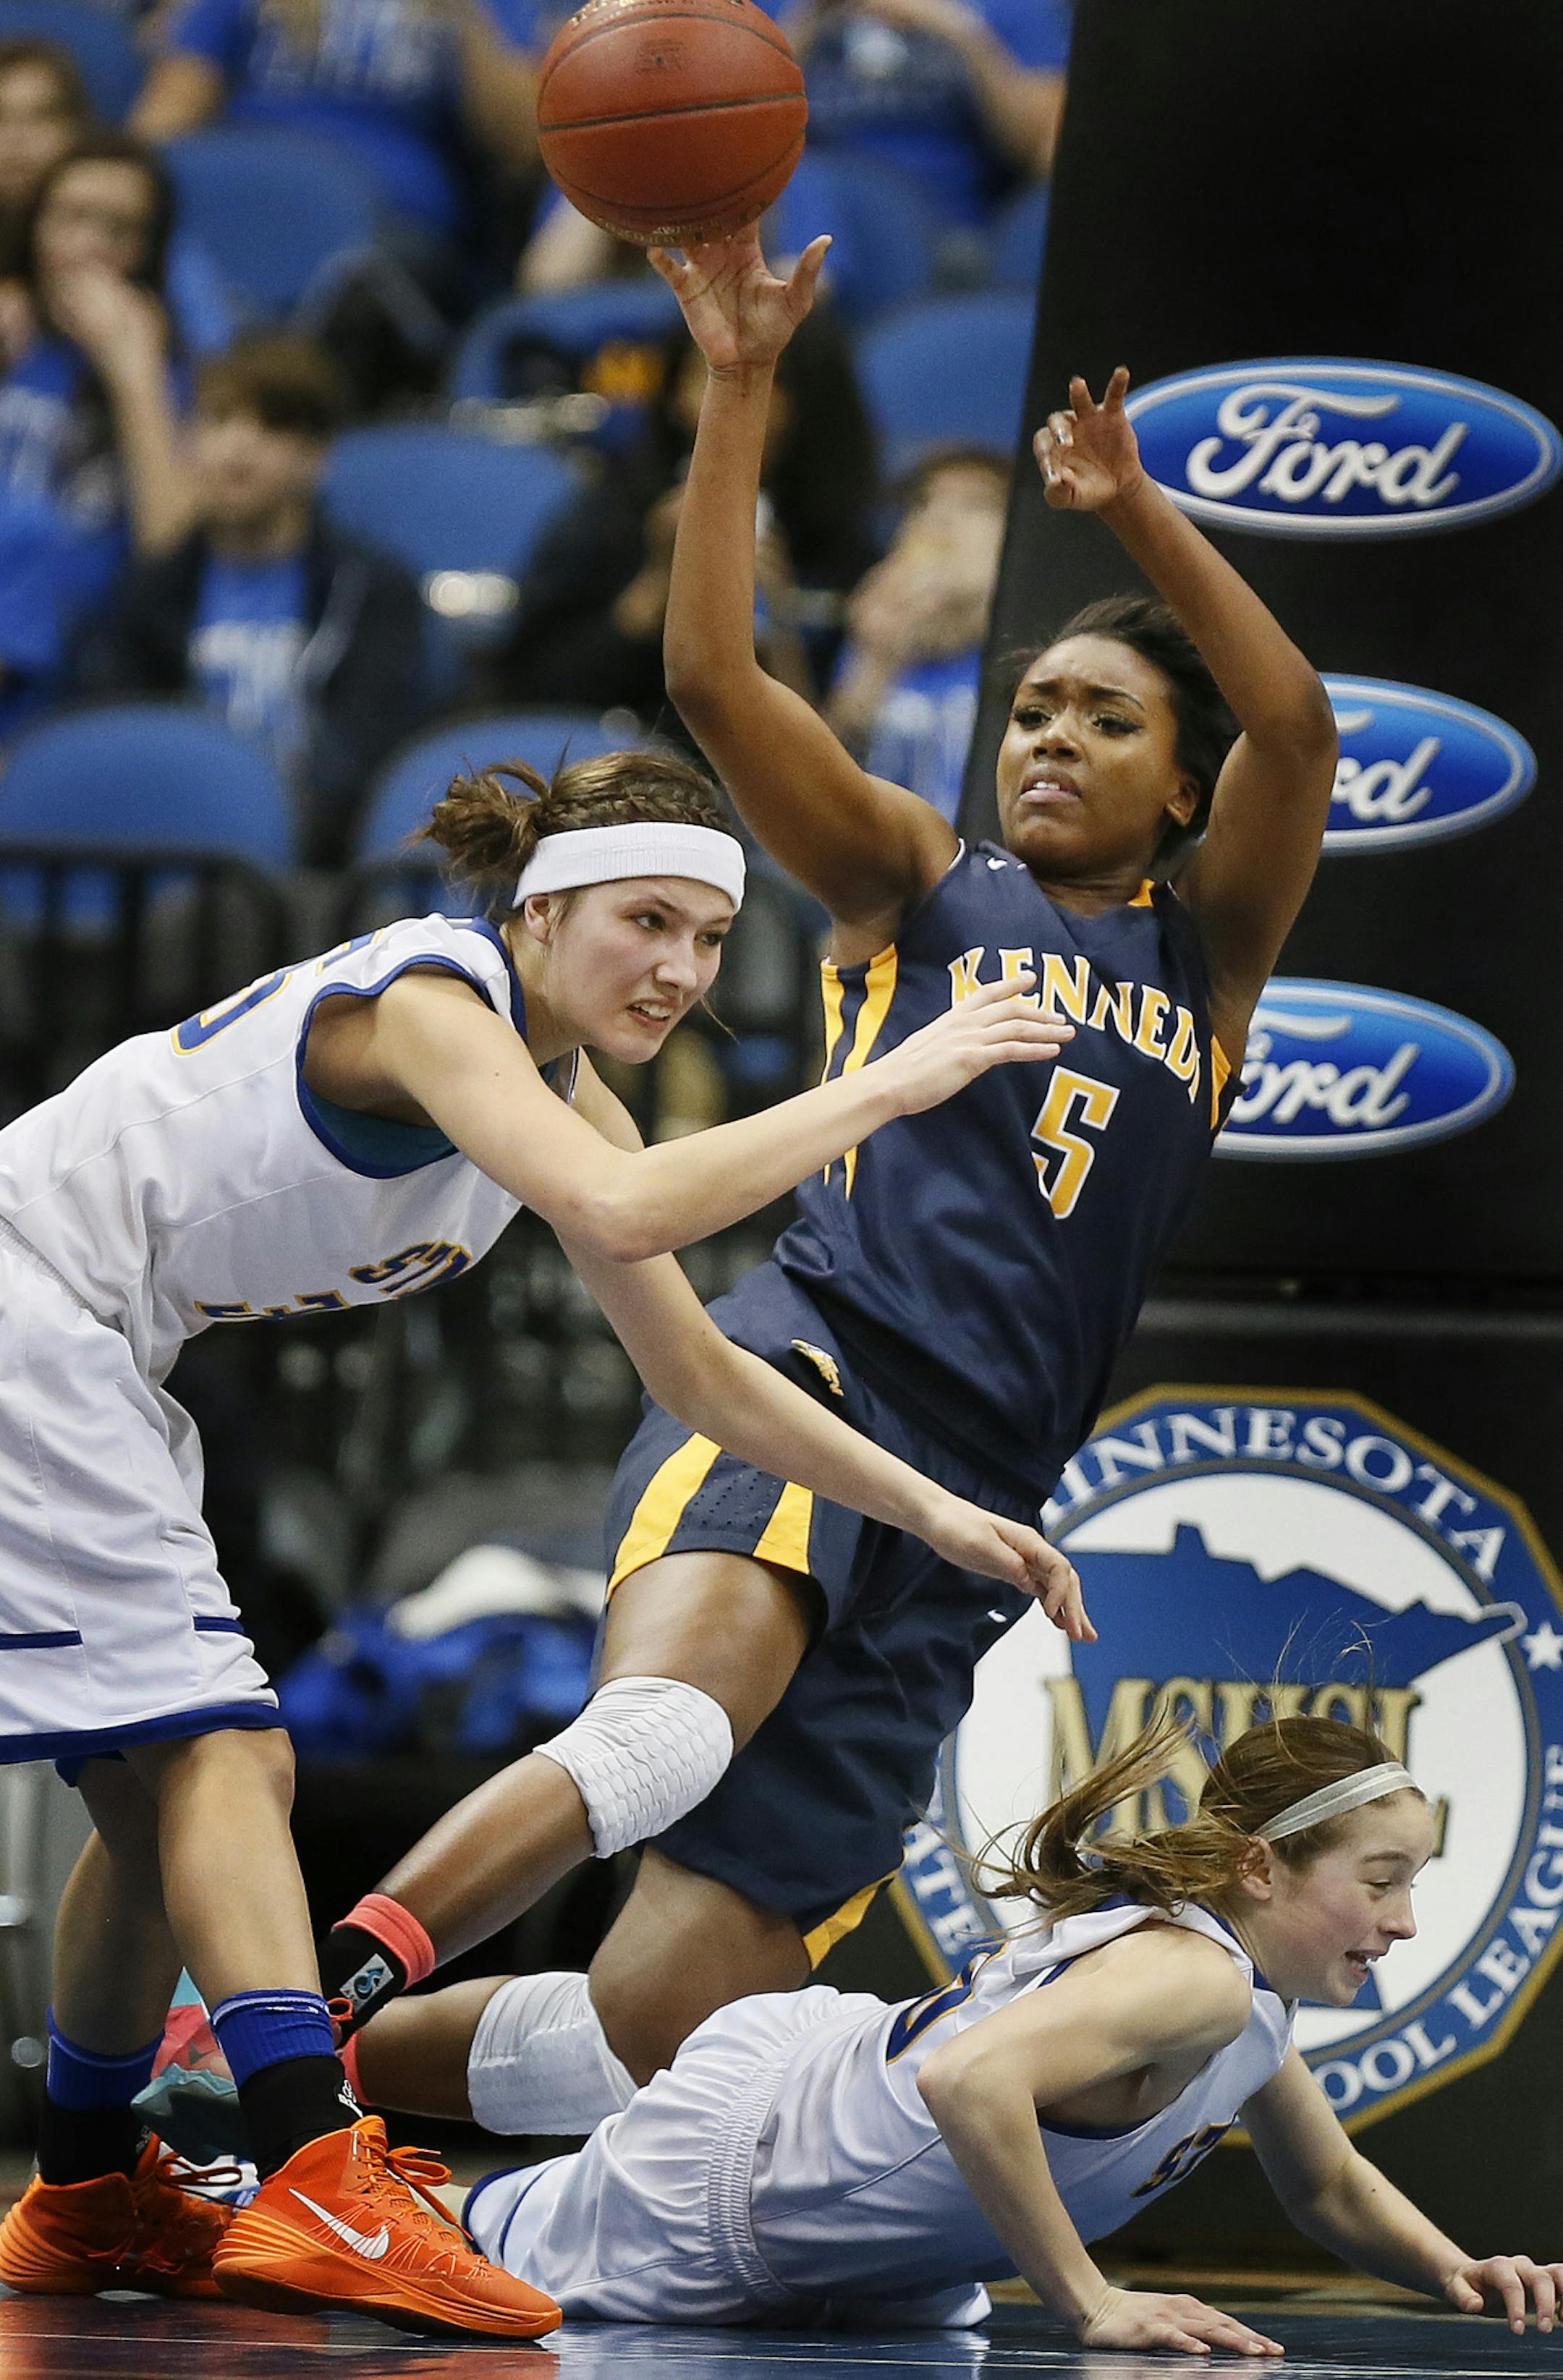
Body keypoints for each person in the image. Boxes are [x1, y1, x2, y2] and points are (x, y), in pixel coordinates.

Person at [294, 223, 1339, 2156]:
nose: (1048, 738)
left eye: (1105, 720)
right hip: (812, 1376)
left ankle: (279, 2087)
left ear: (1181, 792)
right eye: (1031, 709)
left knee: (655, 2023)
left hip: (974, 1504)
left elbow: (1299, 726)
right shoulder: (917, 889)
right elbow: (708, 667)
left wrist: (1133, 513)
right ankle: (283, 2014)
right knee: (661, 1734)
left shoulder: (1211, 961)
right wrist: (745, 383)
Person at [0, 745, 1083, 2330]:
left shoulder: (561, 1088)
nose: (682, 968)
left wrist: (933, 1511)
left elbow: (699, 1369)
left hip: (96, 1342)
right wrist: (896, 1079)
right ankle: (310, 2172)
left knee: (155, 1793)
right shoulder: (438, 1001)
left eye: (710, 940)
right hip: (33, 1307)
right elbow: (638, 1207)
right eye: (646, 921)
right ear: (543, 907)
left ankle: (86, 2185)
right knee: (232, 1761)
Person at [353, 1715, 1563, 2344]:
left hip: (827, 2168)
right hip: (736, 2185)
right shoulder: (1192, 1979)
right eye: (1384, 1881)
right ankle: (248, 2136)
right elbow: (973, 2080)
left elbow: (1332, 2189)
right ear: (1260, 1868)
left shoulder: (1248, 2007)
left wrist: (1454, 2269)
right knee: (410, 2263)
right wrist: (1093, 2303)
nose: (1406, 1921)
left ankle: (299, 2071)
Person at [72, 330, 425, 865]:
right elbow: (119, 740)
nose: (239, 446)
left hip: (317, 869)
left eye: (271, 425)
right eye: (217, 421)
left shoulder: (371, 591)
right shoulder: (149, 592)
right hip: (171, 851)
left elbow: (370, 761)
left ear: (316, 456)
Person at [0, 132, 194, 740]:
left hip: (67, 687)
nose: (88, 247)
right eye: (72, 218)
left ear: (146, 252)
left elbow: (172, 547)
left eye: (117, 229)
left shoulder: (170, 380)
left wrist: (134, 374)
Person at [0, 41, 237, 359]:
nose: (17, 139)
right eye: (2, 118)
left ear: (79, 128)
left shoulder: (167, 254)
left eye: (41, 117)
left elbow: (214, 361)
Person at [784, 0, 1069, 243]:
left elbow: (1048, 151)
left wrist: (960, 31)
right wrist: (807, 24)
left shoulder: (1013, 9)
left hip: (950, 229)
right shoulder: (785, 11)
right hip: (816, 205)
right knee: (811, 184)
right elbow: (743, 133)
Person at [827, 443, 1009, 823]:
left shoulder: (1043, 651)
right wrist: (873, 664)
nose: (938, 519)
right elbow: (819, 803)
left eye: (976, 505)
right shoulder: (878, 638)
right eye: (924, 503)